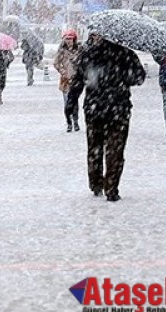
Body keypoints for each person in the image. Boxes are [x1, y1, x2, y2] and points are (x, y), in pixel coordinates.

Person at [67, 34, 146, 202]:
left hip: (94, 108)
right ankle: (111, 187)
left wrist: (71, 101)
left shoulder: (90, 54)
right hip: (119, 108)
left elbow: (78, 80)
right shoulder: (126, 54)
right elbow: (139, 78)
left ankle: (96, 183)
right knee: (115, 150)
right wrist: (123, 76)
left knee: (94, 146)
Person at [54, 29, 82, 132]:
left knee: (75, 102)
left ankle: (76, 121)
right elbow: (56, 63)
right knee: (67, 102)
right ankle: (68, 122)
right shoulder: (62, 50)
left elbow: (83, 61)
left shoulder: (79, 49)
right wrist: (63, 71)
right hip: (65, 80)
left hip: (76, 79)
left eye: (70, 39)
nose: (68, 41)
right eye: (66, 39)